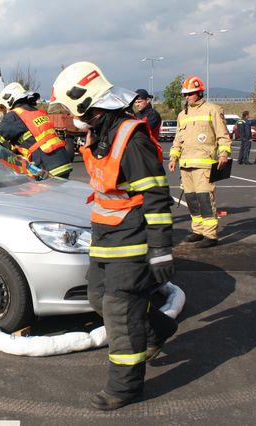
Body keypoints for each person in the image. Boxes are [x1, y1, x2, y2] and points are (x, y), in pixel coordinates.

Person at [51, 61, 177, 410]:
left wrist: (161, 247)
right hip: (105, 236)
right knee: (98, 298)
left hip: (133, 239)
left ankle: (125, 386)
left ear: (86, 103)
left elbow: (155, 195)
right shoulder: (99, 132)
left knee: (121, 312)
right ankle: (157, 330)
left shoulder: (131, 138)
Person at [169, 75, 231, 248]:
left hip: (204, 164)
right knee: (192, 199)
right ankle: (198, 230)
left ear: (199, 92)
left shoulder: (212, 109)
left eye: (190, 94)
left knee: (204, 199)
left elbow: (223, 135)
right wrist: (174, 157)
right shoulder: (183, 114)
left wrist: (224, 154)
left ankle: (210, 235)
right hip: (186, 164)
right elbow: (178, 139)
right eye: (185, 94)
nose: (187, 97)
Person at [0, 82, 72, 178]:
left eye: (3, 107)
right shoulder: (35, 112)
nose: (4, 111)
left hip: (48, 167)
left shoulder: (14, 116)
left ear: (9, 101)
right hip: (62, 162)